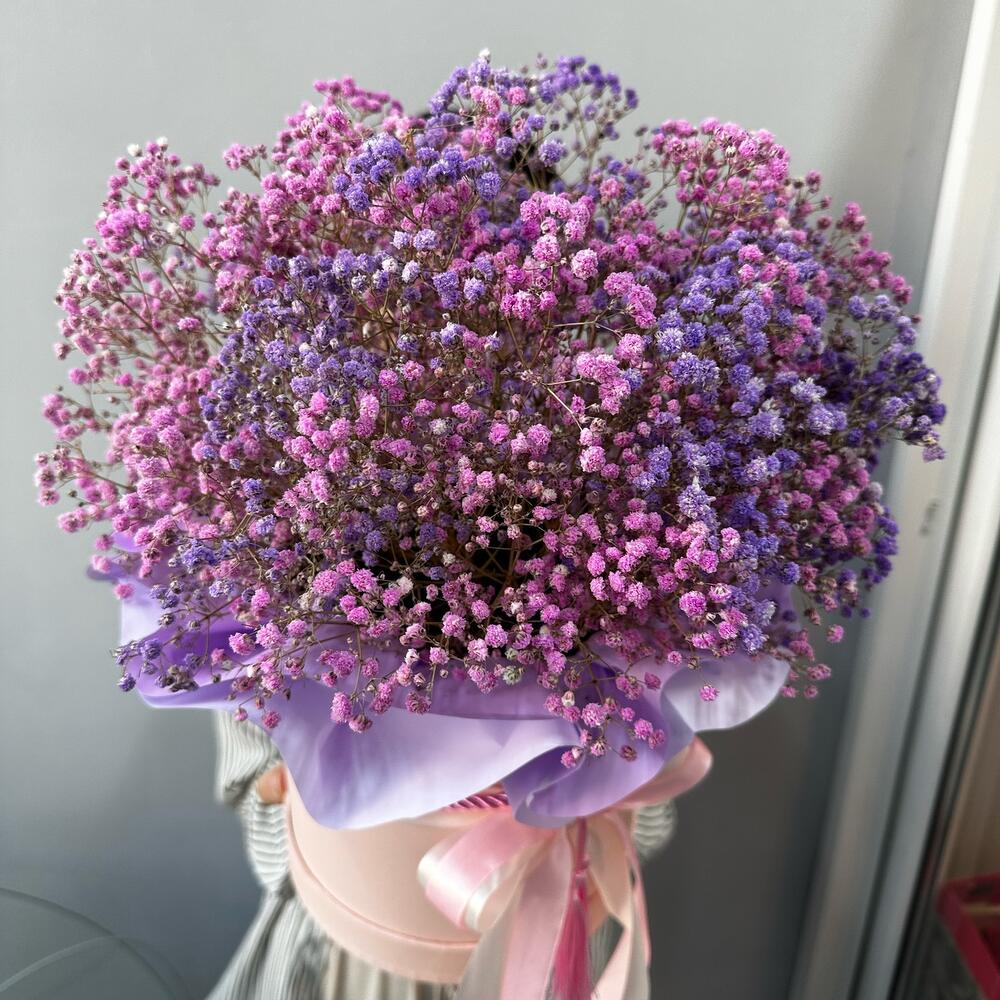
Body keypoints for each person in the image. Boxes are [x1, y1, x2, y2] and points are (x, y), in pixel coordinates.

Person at [207, 712, 678, 999]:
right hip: (351, 959)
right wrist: (297, 799)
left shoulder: (641, 620)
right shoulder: (258, 618)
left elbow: (645, 829)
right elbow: (260, 805)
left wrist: (608, 788)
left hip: (550, 941)